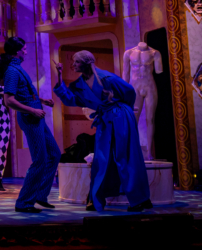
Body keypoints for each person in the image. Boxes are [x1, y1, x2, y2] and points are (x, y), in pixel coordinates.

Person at [53, 51, 152, 212]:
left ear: (86, 62)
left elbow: (129, 92)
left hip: (120, 116)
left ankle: (140, 199)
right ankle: (95, 198)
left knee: (125, 156)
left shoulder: (107, 78)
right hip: (105, 119)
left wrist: (123, 110)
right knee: (101, 158)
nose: (73, 65)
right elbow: (70, 99)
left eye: (77, 62)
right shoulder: (79, 85)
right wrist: (59, 76)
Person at [0, 37, 60, 213]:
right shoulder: (12, 71)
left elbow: (23, 94)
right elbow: (9, 100)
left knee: (54, 154)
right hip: (30, 118)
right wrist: (32, 110)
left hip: (36, 115)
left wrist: (41, 100)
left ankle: (40, 195)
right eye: (24, 49)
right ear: (16, 51)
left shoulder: (18, 68)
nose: (26, 52)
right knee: (40, 160)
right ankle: (24, 202)